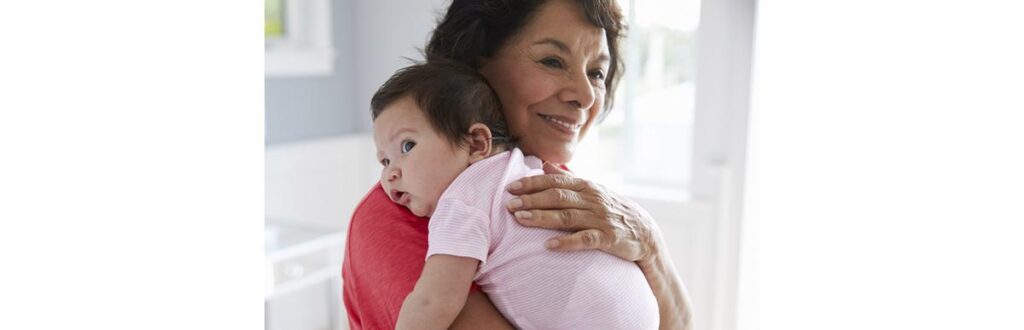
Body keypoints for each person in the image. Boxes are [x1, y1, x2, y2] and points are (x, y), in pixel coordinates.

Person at [343, 0, 693, 328]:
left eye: (597, 73)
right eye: (552, 61)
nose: (586, 96)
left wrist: (649, 242)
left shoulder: (542, 179)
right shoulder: (400, 216)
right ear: (476, 62)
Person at [370, 60, 659, 329]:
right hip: (640, 309)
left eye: (407, 146)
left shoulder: (460, 202)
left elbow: (434, 301)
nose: (390, 173)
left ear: (476, 143)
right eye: (384, 161)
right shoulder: (522, 166)